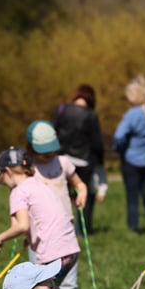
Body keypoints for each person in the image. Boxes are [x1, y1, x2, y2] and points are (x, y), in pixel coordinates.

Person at [24, 121, 87, 289]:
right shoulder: (29, 168)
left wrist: (81, 192)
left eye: (51, 151)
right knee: (40, 286)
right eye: (43, 153)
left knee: (68, 286)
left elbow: (79, 183)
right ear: (31, 149)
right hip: (39, 237)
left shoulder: (63, 163)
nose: (48, 157)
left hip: (64, 233)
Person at [113, 75, 145, 234]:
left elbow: (118, 136)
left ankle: (133, 228)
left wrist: (120, 149)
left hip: (132, 160)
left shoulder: (131, 115)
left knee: (132, 197)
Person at [51, 84, 105, 234]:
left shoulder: (61, 110)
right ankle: (83, 229)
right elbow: (96, 142)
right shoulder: (91, 115)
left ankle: (60, 229)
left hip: (62, 159)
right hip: (84, 161)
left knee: (61, 195)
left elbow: (52, 133)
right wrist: (100, 163)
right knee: (84, 194)